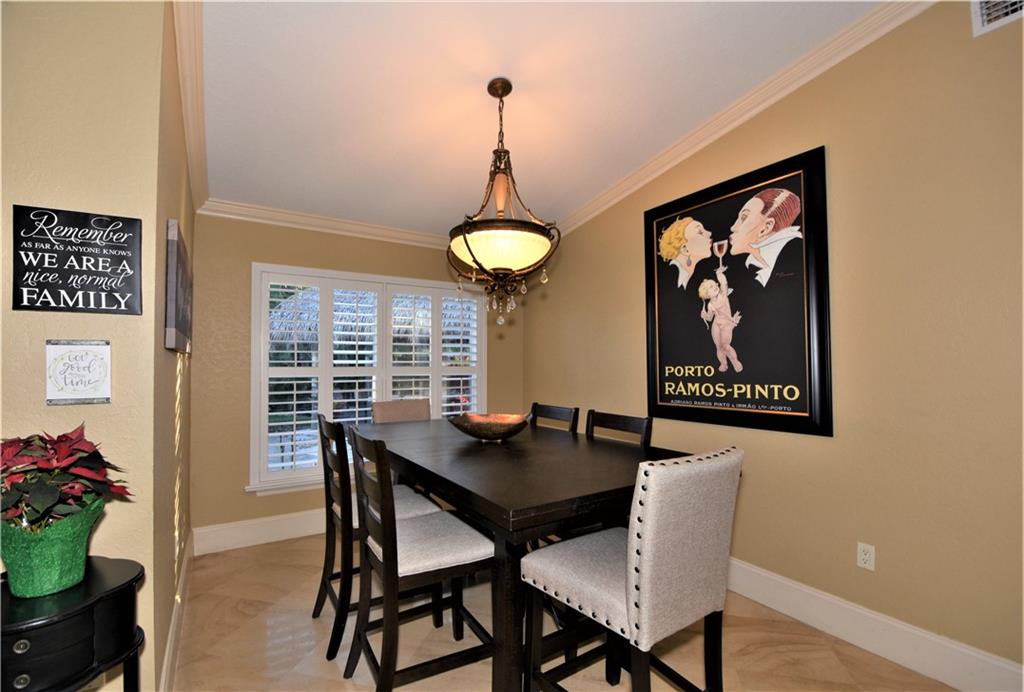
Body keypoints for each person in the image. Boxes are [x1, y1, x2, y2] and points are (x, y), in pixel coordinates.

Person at [728, 188, 802, 288]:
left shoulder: (793, 259)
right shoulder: (754, 266)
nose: (733, 227)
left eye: (743, 218)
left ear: (766, 227)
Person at [698, 266, 743, 372]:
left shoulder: (723, 294)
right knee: (718, 347)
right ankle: (723, 363)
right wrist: (704, 315)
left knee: (725, 346)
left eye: (714, 284)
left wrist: (719, 274)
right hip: (716, 324)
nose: (715, 286)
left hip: (727, 323)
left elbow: (723, 282)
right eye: (711, 287)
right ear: (707, 294)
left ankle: (735, 362)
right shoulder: (710, 305)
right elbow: (710, 318)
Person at [658, 216, 713, 290]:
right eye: (700, 232)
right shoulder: (671, 276)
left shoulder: (697, 274)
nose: (709, 233)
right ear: (685, 249)